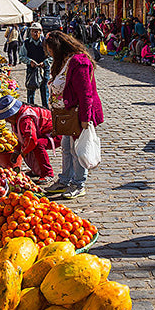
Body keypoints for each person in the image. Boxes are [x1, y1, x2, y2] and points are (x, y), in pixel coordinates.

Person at [43, 31, 103, 199]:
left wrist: (85, 119)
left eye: (50, 50)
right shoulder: (63, 61)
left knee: (77, 150)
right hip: (67, 113)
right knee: (67, 148)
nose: (49, 53)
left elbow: (85, 94)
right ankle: (65, 180)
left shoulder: (79, 62)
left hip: (78, 113)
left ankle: (78, 183)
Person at [0, 95, 59, 182]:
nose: (6, 121)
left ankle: (48, 173)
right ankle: (37, 170)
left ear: (13, 113)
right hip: (42, 133)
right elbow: (22, 137)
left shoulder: (25, 119)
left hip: (57, 132)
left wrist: (23, 152)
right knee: (29, 146)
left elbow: (31, 140)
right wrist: (16, 151)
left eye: (7, 117)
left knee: (38, 145)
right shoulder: (17, 118)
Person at [21, 23, 51, 106]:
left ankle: (46, 109)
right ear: (30, 32)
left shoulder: (46, 43)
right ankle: (31, 108)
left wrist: (44, 63)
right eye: (33, 31)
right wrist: (29, 61)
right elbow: (21, 56)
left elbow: (52, 56)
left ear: (40, 32)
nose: (35, 33)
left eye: (36, 31)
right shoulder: (26, 43)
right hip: (31, 69)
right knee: (30, 90)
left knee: (44, 90)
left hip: (44, 69)